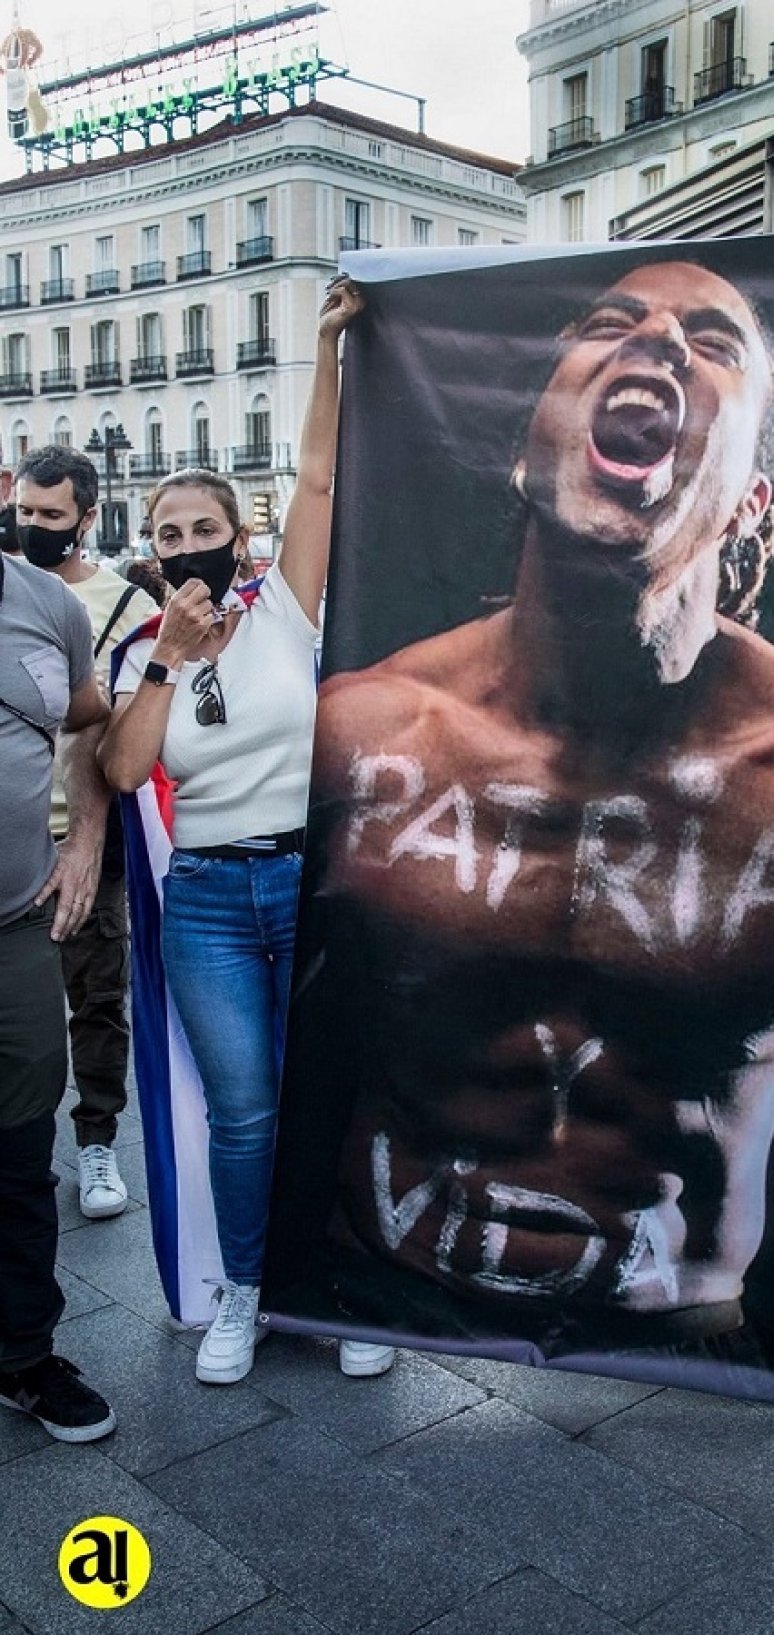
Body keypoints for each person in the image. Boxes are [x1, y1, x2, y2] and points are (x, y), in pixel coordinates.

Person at [308, 260, 774, 1350]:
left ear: (751, 499)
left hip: (679, 1326)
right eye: (611, 322)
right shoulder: (365, 731)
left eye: (714, 342)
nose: (662, 344)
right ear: (522, 453)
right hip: (372, 1287)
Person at [99, 278, 394, 1386]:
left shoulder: (284, 613)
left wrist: (328, 350)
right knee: (244, 1113)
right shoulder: (139, 659)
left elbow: (318, 475)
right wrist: (171, 658)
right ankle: (250, 1291)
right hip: (212, 902)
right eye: (169, 535)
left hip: (313, 880)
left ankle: (345, 1284)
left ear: (236, 537)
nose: (188, 548)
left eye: (205, 530)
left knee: (335, 1094)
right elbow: (126, 768)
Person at [14, 446, 160, 1220]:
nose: (33, 527)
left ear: (87, 519)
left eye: (50, 516)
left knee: (98, 997)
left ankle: (97, 1140)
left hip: (91, 843)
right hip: (12, 842)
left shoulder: (125, 607)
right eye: (25, 512)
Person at [0, 545, 116, 1441]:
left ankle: (24, 1357)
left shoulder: (48, 602)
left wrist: (85, 834)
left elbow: (87, 719)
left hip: (13, 929)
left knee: (20, 1150)